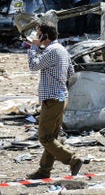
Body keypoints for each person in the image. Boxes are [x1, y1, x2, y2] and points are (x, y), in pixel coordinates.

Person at [25, 22, 85, 179]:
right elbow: (71, 72)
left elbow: (33, 65)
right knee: (52, 137)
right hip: (61, 97)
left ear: (45, 35)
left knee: (44, 137)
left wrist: (33, 47)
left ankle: (72, 159)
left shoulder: (51, 50)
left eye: (38, 34)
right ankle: (44, 170)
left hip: (52, 99)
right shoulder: (62, 50)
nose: (36, 37)